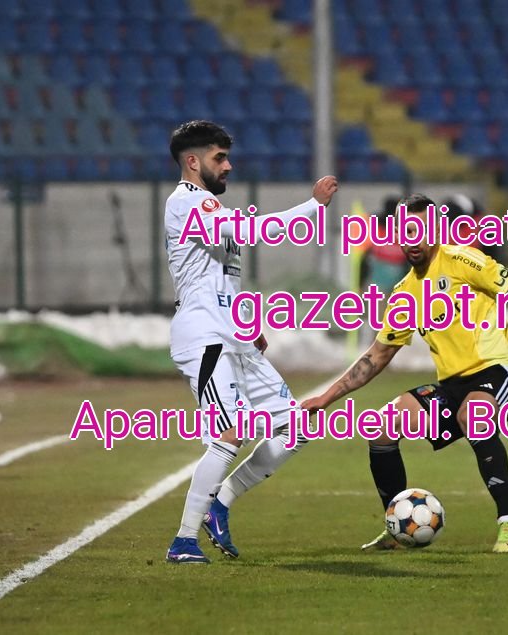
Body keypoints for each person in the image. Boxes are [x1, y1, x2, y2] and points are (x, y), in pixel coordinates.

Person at [303, 193, 508, 553]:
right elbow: (377, 356)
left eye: (419, 230)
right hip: (452, 386)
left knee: (474, 415)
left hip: (499, 371)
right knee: (381, 426)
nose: (411, 239)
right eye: (404, 231)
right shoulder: (405, 293)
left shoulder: (463, 259)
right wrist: (325, 398)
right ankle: (397, 527)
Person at [164, 120, 338, 563]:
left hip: (233, 337)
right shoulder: (186, 203)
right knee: (231, 431)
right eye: (219, 158)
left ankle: (220, 503)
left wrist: (247, 323)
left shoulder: (208, 208)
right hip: (204, 337)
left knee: (298, 426)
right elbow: (253, 232)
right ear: (192, 161)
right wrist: (313, 206)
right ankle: (184, 541)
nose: (228, 166)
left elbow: (220, 279)